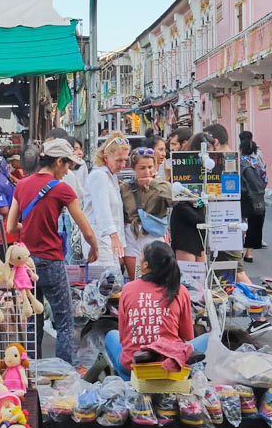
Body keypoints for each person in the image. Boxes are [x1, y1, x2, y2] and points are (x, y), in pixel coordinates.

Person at [6, 138, 99, 364]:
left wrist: (30, 227)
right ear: (58, 162)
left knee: (32, 318)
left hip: (26, 264)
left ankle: (31, 369)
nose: (66, 171)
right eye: (67, 166)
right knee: (65, 321)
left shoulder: (22, 185)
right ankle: (63, 374)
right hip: (51, 261)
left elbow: (11, 227)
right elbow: (85, 228)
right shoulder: (62, 189)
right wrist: (94, 247)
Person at [104, 241, 208, 375]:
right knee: (209, 338)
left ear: (146, 265)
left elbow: (124, 337)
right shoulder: (180, 290)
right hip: (170, 362)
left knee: (111, 335)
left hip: (134, 364)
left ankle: (130, 383)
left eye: (141, 256)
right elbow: (187, 335)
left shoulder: (128, 289)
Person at [120, 147, 170, 278]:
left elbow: (173, 198)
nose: (147, 172)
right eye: (142, 168)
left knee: (157, 279)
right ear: (133, 168)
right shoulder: (125, 188)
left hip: (154, 234)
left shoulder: (160, 186)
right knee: (135, 279)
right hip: (132, 234)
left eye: (150, 167)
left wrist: (152, 182)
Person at [84, 136, 129, 273]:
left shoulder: (111, 177)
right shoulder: (99, 176)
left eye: (125, 160)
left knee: (113, 283)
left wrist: (120, 242)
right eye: (118, 160)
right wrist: (114, 237)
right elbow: (102, 210)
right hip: (101, 239)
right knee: (102, 285)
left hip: (110, 240)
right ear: (105, 157)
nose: (122, 165)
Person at [239, 139, 267, 263]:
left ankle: (239, 250)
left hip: (243, 195)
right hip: (257, 196)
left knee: (239, 222)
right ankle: (249, 253)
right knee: (254, 224)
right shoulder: (256, 162)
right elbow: (264, 178)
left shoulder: (239, 161)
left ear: (241, 149)